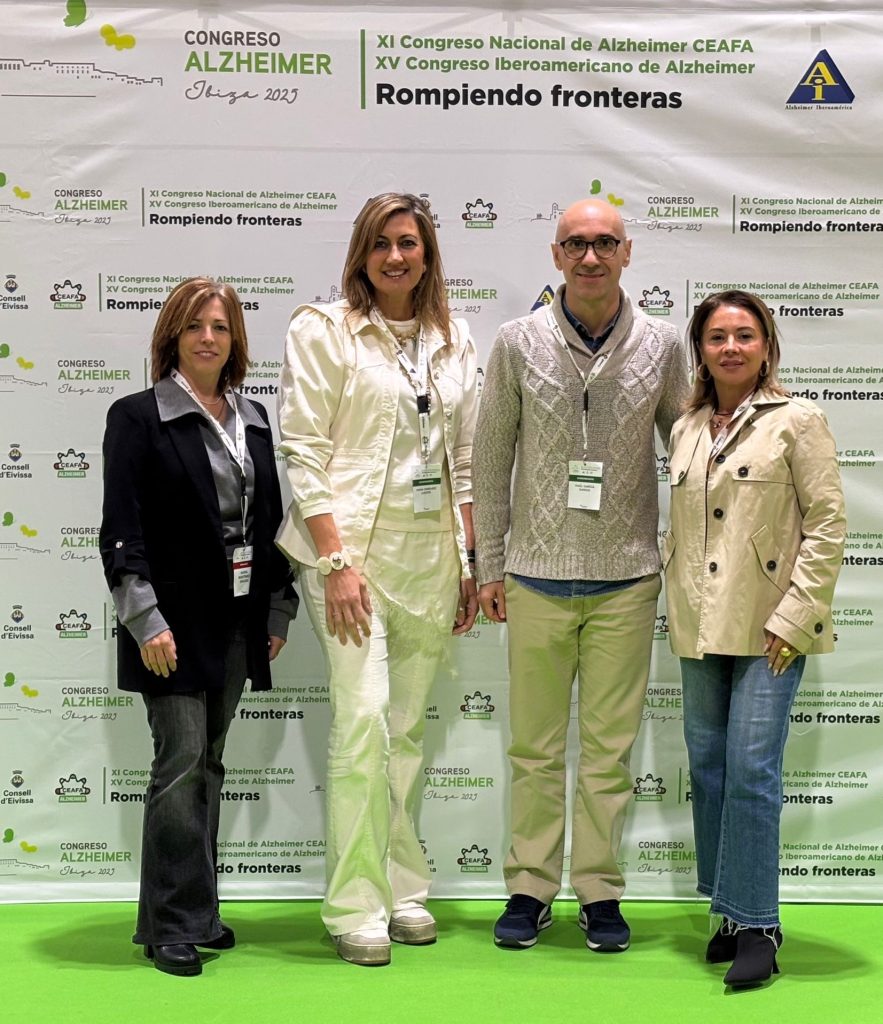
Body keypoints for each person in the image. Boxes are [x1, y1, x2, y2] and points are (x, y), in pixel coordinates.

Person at [473, 198, 689, 953]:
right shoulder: (516, 341)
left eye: (604, 243)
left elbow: (689, 449)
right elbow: (490, 457)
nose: (589, 257)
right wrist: (489, 564)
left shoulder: (663, 344)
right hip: (534, 576)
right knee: (533, 750)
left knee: (607, 754)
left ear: (627, 253)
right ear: (555, 254)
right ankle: (530, 888)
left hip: (626, 580)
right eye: (575, 244)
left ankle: (598, 891)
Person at [276, 192, 479, 966]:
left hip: (429, 560)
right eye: (382, 244)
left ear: (427, 255)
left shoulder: (453, 338)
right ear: (361, 255)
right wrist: (334, 563)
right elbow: (302, 449)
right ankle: (353, 906)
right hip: (350, 559)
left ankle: (402, 888)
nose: (396, 257)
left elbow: (463, 461)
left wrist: (468, 563)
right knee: (361, 724)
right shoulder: (323, 329)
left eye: (409, 243)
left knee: (404, 733)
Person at [99, 277, 296, 977]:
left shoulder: (255, 418)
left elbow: (272, 525)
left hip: (238, 621)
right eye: (193, 326)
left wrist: (276, 609)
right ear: (172, 338)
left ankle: (197, 912)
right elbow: (120, 529)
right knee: (180, 765)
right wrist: (144, 620)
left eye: (219, 326)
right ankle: (170, 926)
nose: (207, 338)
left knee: (208, 764)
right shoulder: (138, 417)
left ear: (235, 338)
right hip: (169, 626)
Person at [663, 290, 846, 987]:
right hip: (698, 623)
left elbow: (827, 522)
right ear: (700, 350)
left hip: (770, 627)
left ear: (766, 346)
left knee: (751, 770)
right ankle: (729, 911)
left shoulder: (798, 420)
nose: (730, 347)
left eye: (744, 335)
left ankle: (760, 924)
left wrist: (796, 616)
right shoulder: (686, 426)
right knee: (708, 769)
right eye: (717, 337)